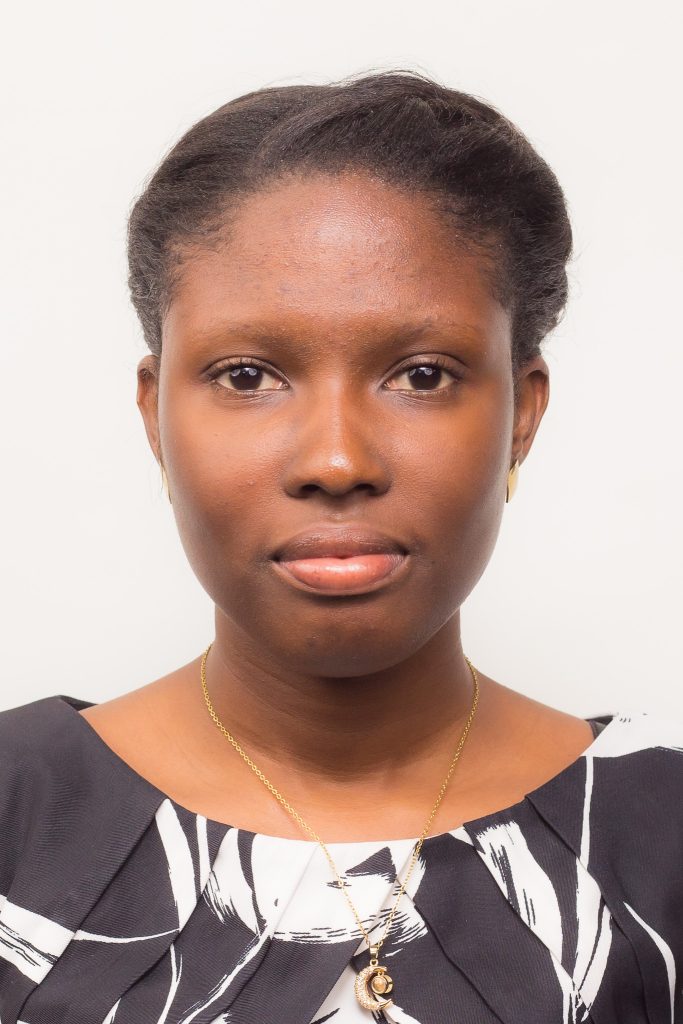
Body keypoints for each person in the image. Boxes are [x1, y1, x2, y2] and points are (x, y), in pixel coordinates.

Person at [0, 69, 681, 1024]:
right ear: (155, 415)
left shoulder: (662, 836)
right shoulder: (16, 813)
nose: (335, 460)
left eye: (421, 375)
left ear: (521, 414)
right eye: (247, 375)